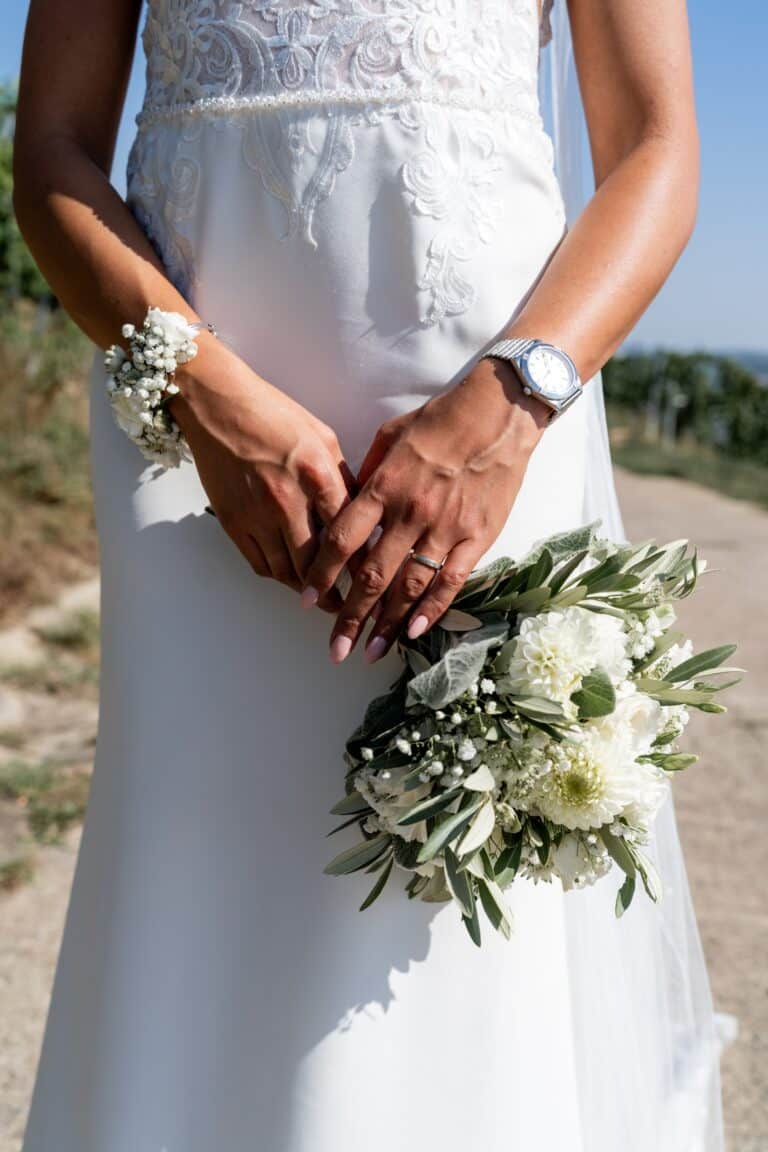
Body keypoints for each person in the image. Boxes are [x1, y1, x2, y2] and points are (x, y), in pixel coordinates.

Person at [14, 0, 724, 1148]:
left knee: (450, 925)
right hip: (190, 440)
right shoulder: (195, 418)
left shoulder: (500, 428)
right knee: (195, 869)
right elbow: (50, 148)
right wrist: (199, 390)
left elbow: (656, 144)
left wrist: (510, 404)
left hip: (491, 429)